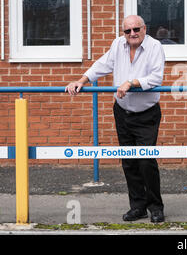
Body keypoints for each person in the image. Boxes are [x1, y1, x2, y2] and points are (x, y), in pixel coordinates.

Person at [65, 15, 166, 222]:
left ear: (144, 29)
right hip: (122, 112)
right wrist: (81, 80)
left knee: (146, 161)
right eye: (127, 31)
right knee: (129, 162)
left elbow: (156, 78)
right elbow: (102, 65)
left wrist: (131, 82)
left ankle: (156, 207)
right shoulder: (118, 45)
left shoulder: (155, 47)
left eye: (136, 29)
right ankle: (138, 207)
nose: (132, 34)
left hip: (146, 114)